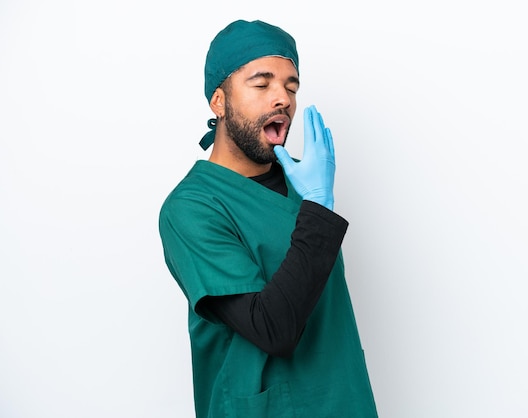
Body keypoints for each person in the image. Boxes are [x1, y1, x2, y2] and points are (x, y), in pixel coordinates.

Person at [158, 19, 378, 418]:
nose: (283, 99)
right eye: (262, 84)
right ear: (219, 102)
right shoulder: (192, 208)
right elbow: (271, 329)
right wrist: (317, 209)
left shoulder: (305, 186)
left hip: (343, 402)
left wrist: (315, 202)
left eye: (291, 86)